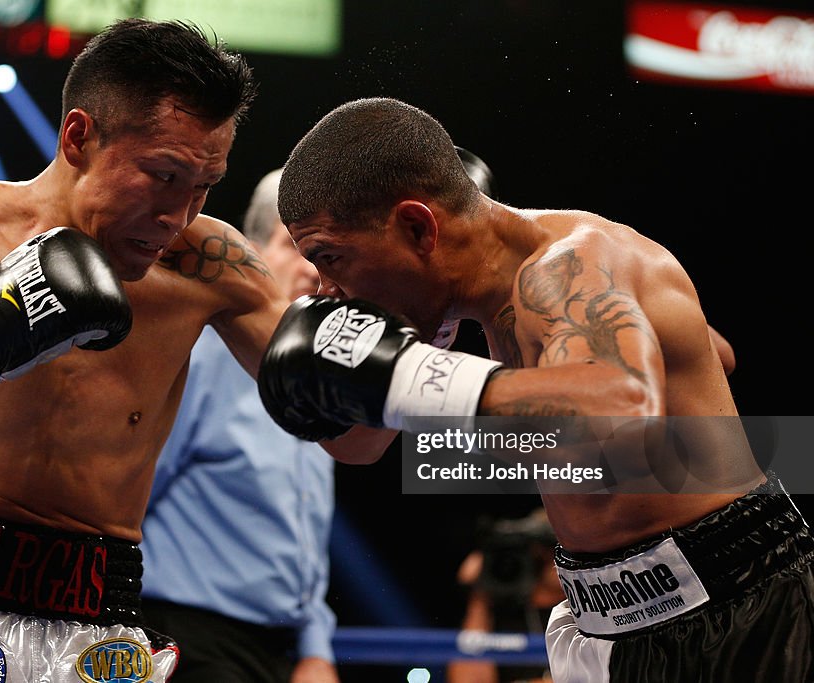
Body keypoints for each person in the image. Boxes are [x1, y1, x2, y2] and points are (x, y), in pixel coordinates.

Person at [0, 20, 392, 683]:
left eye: (205, 184)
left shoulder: (212, 267)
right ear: (78, 135)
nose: (180, 214)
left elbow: (356, 441)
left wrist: (420, 320)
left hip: (99, 626)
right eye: (163, 175)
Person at [257, 97, 814, 682]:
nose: (326, 288)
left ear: (418, 227)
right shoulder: (500, 300)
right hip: (612, 620)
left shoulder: (566, 263)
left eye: (331, 257)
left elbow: (623, 413)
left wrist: (409, 373)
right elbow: (357, 446)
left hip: (739, 610)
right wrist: (412, 353)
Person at [139, 168, 339, 683]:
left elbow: (304, 536)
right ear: (250, 254)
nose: (314, 272)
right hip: (188, 638)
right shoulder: (204, 356)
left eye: (328, 257)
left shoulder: (315, 379)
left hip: (279, 649)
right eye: (297, 249)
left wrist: (315, 646)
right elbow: (131, 494)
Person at [447, 509, 560, 683]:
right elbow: (468, 680)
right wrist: (480, 594)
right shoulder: (502, 610)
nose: (552, 559)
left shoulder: (595, 610)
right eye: (543, 549)